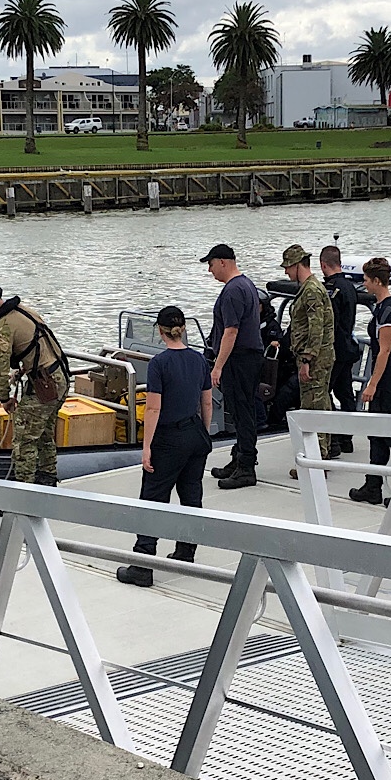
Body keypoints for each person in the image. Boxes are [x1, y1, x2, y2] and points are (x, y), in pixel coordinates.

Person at [116, 306, 212, 587]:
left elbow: (153, 408)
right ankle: (186, 551)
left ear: (160, 331)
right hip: (195, 433)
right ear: (184, 330)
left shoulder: (159, 363)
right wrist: (203, 434)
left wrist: (146, 447)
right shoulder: (199, 359)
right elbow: (207, 401)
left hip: (169, 438)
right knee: (191, 494)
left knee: (153, 498)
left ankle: (143, 564)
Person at [0, 278, 70, 485]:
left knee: (23, 441)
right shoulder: (24, 311)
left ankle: (23, 489)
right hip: (60, 379)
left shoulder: (3, 327)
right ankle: (48, 477)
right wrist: (21, 372)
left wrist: (5, 398)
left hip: (44, 385)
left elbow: (0, 368)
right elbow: (39, 347)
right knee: (44, 434)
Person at [349, 257, 391, 506]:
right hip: (386, 371)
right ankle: (373, 485)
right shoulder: (381, 307)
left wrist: (372, 384)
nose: (364, 284)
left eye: (366, 280)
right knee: (377, 432)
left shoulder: (388, 308)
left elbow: (385, 350)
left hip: (390, 374)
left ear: (377, 281)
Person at [201, 243, 264, 490]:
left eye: (211, 264)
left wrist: (217, 366)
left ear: (223, 262)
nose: (210, 270)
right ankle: (239, 458)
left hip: (239, 359)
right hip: (248, 357)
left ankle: (246, 467)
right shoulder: (246, 285)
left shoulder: (232, 291)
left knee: (241, 411)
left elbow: (231, 331)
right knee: (243, 409)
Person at [280, 244, 335, 478]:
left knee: (313, 407)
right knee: (320, 405)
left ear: (297, 265)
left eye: (287, 267)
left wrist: (307, 359)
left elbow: (316, 328)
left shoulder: (311, 290)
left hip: (315, 360)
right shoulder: (310, 288)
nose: (286, 272)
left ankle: (316, 462)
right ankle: (322, 455)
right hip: (318, 358)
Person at [318, 244, 360, 452]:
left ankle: (333, 438)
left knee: (324, 392)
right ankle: (346, 438)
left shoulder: (331, 289)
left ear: (323, 265)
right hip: (347, 347)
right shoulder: (350, 286)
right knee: (345, 394)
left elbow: (329, 322)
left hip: (334, 349)